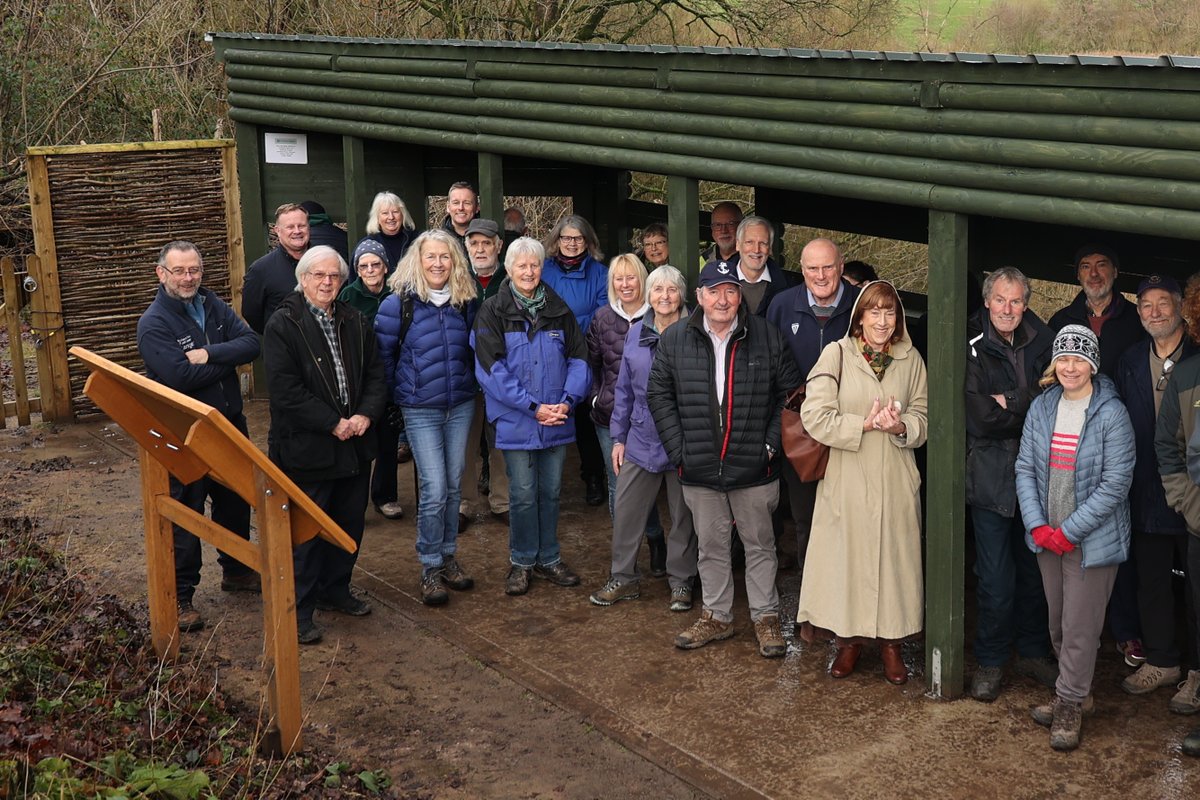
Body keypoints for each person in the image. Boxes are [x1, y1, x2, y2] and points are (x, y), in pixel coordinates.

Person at [647, 259, 802, 658]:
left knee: (760, 545)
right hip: (699, 465)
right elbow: (658, 395)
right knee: (711, 546)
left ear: (740, 296)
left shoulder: (765, 335)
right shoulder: (676, 338)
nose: (722, 299)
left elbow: (790, 395)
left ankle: (766, 618)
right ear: (699, 296)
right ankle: (717, 616)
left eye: (730, 291)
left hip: (755, 466)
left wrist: (770, 446)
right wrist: (679, 450)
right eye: (713, 291)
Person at [797, 281, 928, 684]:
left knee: (894, 564)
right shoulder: (836, 354)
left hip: (894, 475)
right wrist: (863, 425)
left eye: (890, 312)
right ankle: (848, 642)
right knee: (848, 564)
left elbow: (925, 417)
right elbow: (814, 415)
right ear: (860, 316)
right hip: (848, 476)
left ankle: (892, 645)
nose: (883, 321)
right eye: (874, 312)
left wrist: (901, 426)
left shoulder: (911, 359)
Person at [1016, 324, 1134, 751]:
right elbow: (1025, 468)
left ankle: (1068, 703)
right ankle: (1078, 694)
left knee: (1081, 627)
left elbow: (1115, 484)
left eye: (1079, 359)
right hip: (1047, 537)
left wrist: (1069, 531)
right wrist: (1037, 525)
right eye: (1063, 358)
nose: (1070, 367)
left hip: (1090, 542)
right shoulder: (1043, 407)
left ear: (1092, 364)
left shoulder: (1111, 413)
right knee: (1058, 623)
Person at [263, 245, 387, 644]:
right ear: (303, 279)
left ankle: (336, 590)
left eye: (334, 275)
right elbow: (285, 391)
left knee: (348, 523)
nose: (327, 282)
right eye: (318, 275)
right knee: (306, 534)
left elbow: (376, 374)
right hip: (308, 447)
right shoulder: (283, 324)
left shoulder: (355, 319)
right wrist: (331, 422)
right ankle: (298, 612)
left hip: (355, 443)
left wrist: (365, 414)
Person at [137, 240, 261, 633]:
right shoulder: (154, 323)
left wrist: (209, 354)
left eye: (194, 270)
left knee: (235, 501)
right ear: (162, 274)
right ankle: (180, 597)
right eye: (180, 271)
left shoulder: (212, 304)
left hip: (227, 425)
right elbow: (179, 377)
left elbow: (252, 344)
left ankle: (237, 571)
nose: (188, 278)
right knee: (186, 513)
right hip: (183, 433)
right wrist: (228, 361)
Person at [473, 236, 591, 596]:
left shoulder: (559, 309)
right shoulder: (492, 311)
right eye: (521, 265)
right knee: (523, 494)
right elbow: (490, 369)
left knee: (551, 492)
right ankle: (523, 561)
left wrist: (567, 402)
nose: (529, 271)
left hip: (556, 417)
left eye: (534, 264)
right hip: (518, 419)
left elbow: (580, 359)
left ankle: (549, 558)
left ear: (542, 268)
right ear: (509, 269)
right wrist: (532, 407)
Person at [1048, 244, 1146, 667]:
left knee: (1117, 537)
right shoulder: (1061, 321)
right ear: (1077, 275)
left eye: (1101, 265)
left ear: (1116, 272)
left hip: (1124, 441)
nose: (1093, 273)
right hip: (1071, 446)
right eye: (1085, 266)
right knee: (1073, 539)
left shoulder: (1136, 322)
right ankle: (1077, 635)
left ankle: (1125, 630)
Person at [964, 267, 1057, 702]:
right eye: (1000, 300)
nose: (1007, 309)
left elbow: (1054, 396)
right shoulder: (970, 341)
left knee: (1036, 570)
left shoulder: (1043, 338)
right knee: (995, 578)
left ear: (1026, 303)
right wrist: (1027, 404)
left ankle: (1034, 651)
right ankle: (991, 658)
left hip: (1038, 472)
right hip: (990, 474)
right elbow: (980, 416)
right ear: (987, 301)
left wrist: (1011, 400)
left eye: (1016, 300)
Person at [376, 230, 479, 606]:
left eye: (445, 256)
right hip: (419, 408)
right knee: (434, 487)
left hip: (460, 404)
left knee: (452, 485)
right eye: (430, 256)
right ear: (417, 261)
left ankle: (448, 556)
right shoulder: (397, 305)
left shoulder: (465, 301)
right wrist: (399, 397)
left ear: (455, 262)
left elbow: (474, 350)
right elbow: (383, 358)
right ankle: (430, 565)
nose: (438, 263)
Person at [591, 265, 697, 610]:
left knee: (683, 516)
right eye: (657, 289)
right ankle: (623, 578)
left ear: (682, 295)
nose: (664, 296)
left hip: (683, 438)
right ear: (648, 295)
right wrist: (618, 438)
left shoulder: (697, 331)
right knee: (627, 511)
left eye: (672, 289)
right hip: (641, 436)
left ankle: (681, 582)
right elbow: (623, 390)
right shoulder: (637, 331)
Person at [1114, 275, 1199, 699]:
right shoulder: (1130, 360)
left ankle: (1196, 670)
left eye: (1163, 302)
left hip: (1193, 493)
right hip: (1146, 488)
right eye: (1146, 305)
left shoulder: (1197, 357)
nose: (1155, 312)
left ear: (1181, 305)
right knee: (1151, 581)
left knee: (1197, 587)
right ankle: (1163, 661)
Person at [765, 238, 860, 580]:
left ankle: (849, 591)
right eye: (812, 268)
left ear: (841, 267)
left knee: (850, 515)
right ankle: (812, 591)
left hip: (851, 428)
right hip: (800, 431)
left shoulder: (861, 304)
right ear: (802, 271)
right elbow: (768, 366)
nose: (820, 275)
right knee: (805, 516)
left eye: (828, 267)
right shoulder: (781, 305)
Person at [586, 253, 665, 574]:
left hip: (650, 418)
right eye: (618, 278)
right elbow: (591, 363)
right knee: (619, 486)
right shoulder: (602, 317)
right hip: (610, 417)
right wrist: (596, 397)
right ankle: (625, 560)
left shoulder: (659, 314)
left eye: (631, 277)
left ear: (642, 279)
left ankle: (655, 539)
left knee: (646, 485)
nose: (625, 284)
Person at [1154, 275, 1200, 730]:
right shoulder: (1187, 375)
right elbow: (1168, 443)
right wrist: (1186, 501)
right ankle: (1196, 677)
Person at [542, 214, 609, 506]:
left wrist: (570, 333)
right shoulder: (543, 270)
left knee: (585, 420)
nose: (572, 243)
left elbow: (603, 313)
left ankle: (593, 477)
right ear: (557, 240)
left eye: (578, 238)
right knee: (550, 415)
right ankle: (547, 485)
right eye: (566, 238)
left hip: (586, 354)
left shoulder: (601, 273)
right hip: (548, 355)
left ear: (587, 241)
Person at [339, 239, 403, 521]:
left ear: (385, 267)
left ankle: (385, 496)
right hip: (359, 378)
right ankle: (355, 502)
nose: (370, 270)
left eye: (375, 264)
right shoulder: (348, 296)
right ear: (357, 269)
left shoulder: (398, 293)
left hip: (391, 375)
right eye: (363, 266)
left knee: (388, 442)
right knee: (359, 443)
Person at [460, 218, 510, 524]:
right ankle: (464, 504)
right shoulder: (457, 277)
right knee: (465, 444)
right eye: (474, 243)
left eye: (487, 243)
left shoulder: (510, 277)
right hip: (465, 372)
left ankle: (502, 501)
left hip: (501, 372)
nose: (480, 249)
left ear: (498, 246)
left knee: (500, 441)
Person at [243, 203, 310, 333]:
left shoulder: (323, 261)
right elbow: (251, 314)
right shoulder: (261, 270)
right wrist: (276, 334)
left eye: (302, 225)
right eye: (290, 227)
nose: (297, 231)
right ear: (277, 230)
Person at [733, 215, 795, 317]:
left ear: (770, 248)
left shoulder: (789, 289)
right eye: (749, 242)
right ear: (738, 245)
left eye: (763, 243)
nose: (756, 250)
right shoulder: (718, 281)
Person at [361, 190, 417, 273]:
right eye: (385, 213)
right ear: (377, 217)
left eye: (395, 212)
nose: (391, 217)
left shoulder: (417, 240)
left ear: (403, 214)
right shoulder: (368, 244)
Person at [442, 181, 479, 247]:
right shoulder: (439, 239)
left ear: (477, 207)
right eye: (456, 203)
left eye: (467, 203)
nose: (461, 208)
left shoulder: (487, 238)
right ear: (448, 207)